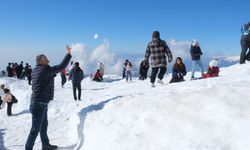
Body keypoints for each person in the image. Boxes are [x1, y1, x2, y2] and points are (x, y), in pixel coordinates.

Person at [25, 45, 72, 150]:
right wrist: (68, 54)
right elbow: (61, 67)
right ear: (41, 61)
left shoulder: (35, 70)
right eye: (46, 58)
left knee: (43, 125)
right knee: (35, 129)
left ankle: (45, 145)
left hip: (39, 103)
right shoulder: (44, 70)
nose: (48, 60)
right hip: (39, 104)